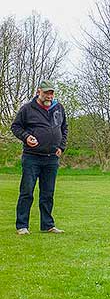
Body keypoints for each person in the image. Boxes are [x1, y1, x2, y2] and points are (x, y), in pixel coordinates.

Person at [11, 80, 68, 235]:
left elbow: (64, 128)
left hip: (51, 158)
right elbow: (16, 127)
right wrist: (26, 136)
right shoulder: (27, 109)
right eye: (46, 92)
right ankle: (22, 226)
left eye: (51, 92)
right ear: (38, 92)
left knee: (48, 193)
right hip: (32, 157)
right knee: (27, 191)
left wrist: (61, 147)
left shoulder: (59, 108)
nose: (49, 95)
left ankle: (48, 225)